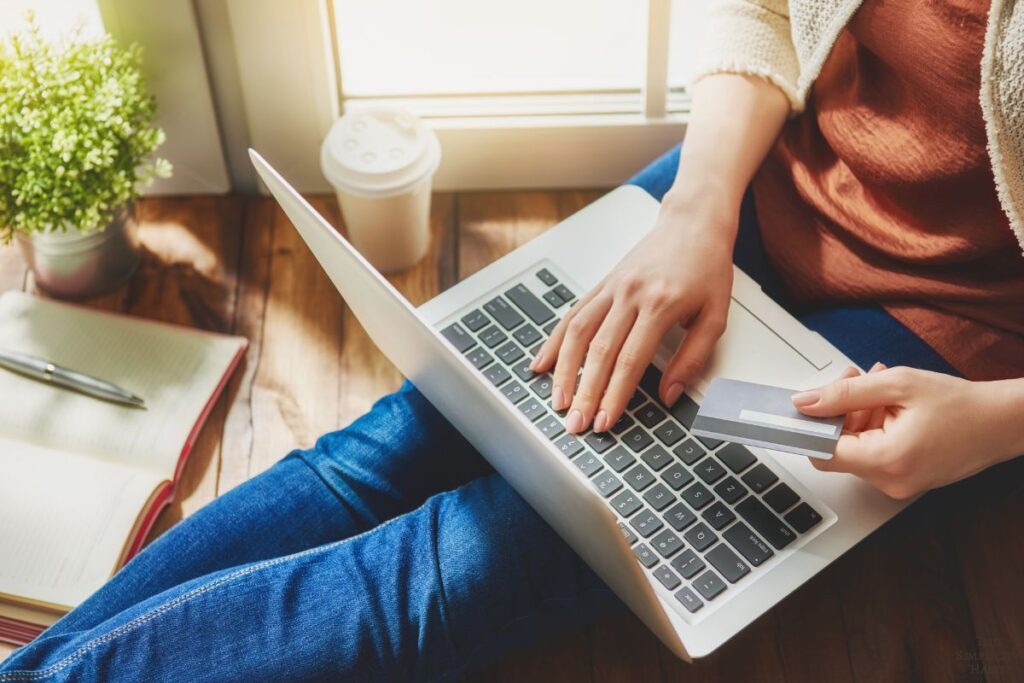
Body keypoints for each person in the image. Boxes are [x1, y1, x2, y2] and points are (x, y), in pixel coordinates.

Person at [2, 0, 1022, 680]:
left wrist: (992, 421)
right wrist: (698, 209)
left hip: (950, 335)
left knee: (458, 563)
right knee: (391, 446)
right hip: (754, 181)